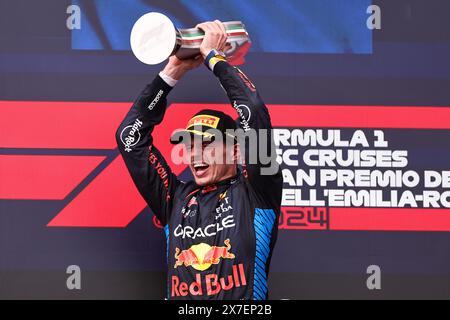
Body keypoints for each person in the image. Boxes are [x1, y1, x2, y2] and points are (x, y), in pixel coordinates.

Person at [116, 20, 282, 300]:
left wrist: (214, 58)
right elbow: (128, 138)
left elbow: (253, 112)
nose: (195, 154)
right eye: (189, 146)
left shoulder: (257, 190)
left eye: (207, 144)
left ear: (236, 150)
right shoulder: (174, 197)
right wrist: (172, 72)